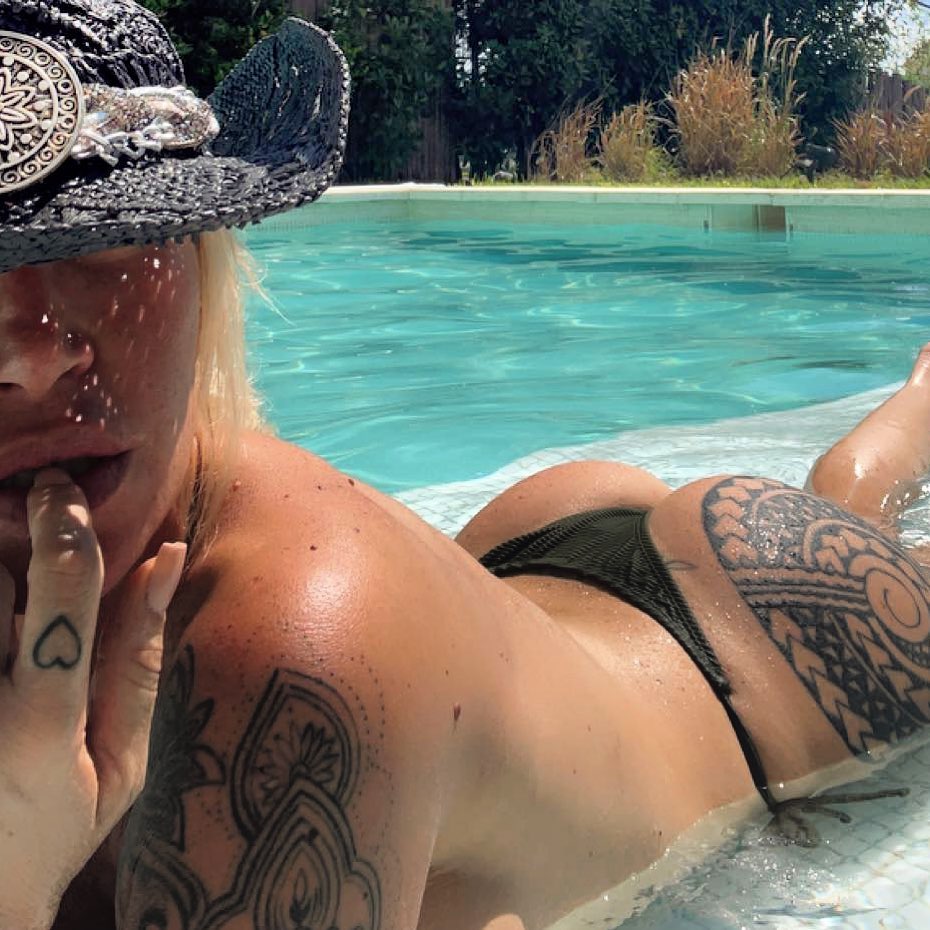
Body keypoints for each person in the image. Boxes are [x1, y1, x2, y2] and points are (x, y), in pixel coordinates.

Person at [1, 2, 929, 929]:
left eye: (107, 242)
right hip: (525, 599)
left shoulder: (282, 668)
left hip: (761, 651)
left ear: (203, 265)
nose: (34, 355)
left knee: (857, 497)